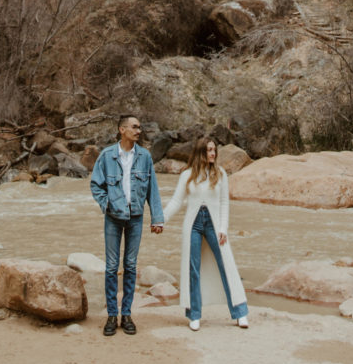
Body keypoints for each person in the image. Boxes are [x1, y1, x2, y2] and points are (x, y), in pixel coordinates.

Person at [163, 136, 248, 331]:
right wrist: (161, 219)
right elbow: (177, 202)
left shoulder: (220, 174)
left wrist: (222, 229)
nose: (212, 153)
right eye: (209, 150)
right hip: (193, 224)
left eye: (214, 150)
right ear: (200, 152)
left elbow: (225, 203)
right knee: (193, 268)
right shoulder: (187, 175)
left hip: (214, 224)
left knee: (226, 264)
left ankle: (240, 313)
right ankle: (194, 314)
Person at [90, 114, 164, 336]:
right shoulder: (106, 156)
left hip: (136, 217)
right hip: (113, 217)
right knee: (112, 267)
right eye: (134, 127)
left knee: (130, 266)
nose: (138, 131)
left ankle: (127, 315)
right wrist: (107, 204)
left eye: (139, 127)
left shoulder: (145, 157)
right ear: (122, 129)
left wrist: (157, 218)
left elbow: (153, 190)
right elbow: (95, 185)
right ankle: (112, 316)